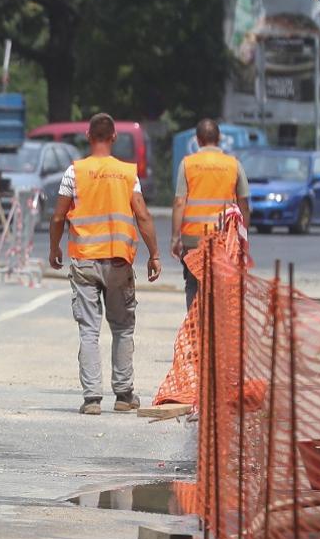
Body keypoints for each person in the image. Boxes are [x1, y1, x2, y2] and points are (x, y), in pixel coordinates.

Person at [47, 113, 162, 415]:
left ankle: (92, 399)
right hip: (118, 261)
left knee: (88, 330)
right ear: (113, 137)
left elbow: (59, 216)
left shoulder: (75, 172)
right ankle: (124, 395)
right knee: (122, 328)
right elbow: (143, 215)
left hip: (84, 260)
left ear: (88, 136)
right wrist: (154, 254)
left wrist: (53, 249)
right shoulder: (127, 173)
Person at [171, 118, 250, 311]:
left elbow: (180, 201)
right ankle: (216, 329)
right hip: (224, 239)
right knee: (221, 286)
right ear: (220, 138)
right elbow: (244, 203)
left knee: (193, 284)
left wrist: (175, 238)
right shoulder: (234, 165)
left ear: (197, 140)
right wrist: (242, 237)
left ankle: (195, 330)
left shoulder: (188, 164)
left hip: (193, 240)